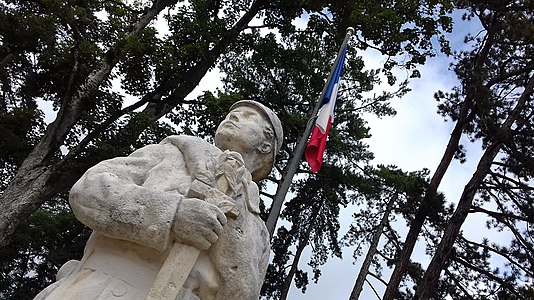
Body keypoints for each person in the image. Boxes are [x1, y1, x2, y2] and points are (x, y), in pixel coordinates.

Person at [35, 100, 283, 300]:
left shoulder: (259, 234)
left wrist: (232, 215)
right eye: (233, 113)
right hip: (97, 287)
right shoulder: (171, 154)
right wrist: (172, 215)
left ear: (265, 145)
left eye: (249, 117)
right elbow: (89, 190)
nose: (234, 116)